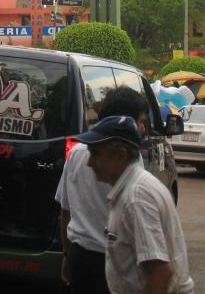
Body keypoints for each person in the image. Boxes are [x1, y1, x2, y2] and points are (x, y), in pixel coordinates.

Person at [74, 115, 193, 294]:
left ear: (121, 155)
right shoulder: (131, 189)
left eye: (96, 154)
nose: (89, 163)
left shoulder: (137, 199)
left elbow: (160, 272)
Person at [55, 86, 151, 294]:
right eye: (141, 122)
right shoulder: (127, 158)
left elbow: (64, 210)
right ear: (125, 122)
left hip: (79, 256)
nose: (143, 129)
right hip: (115, 260)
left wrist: (66, 253)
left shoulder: (77, 152)